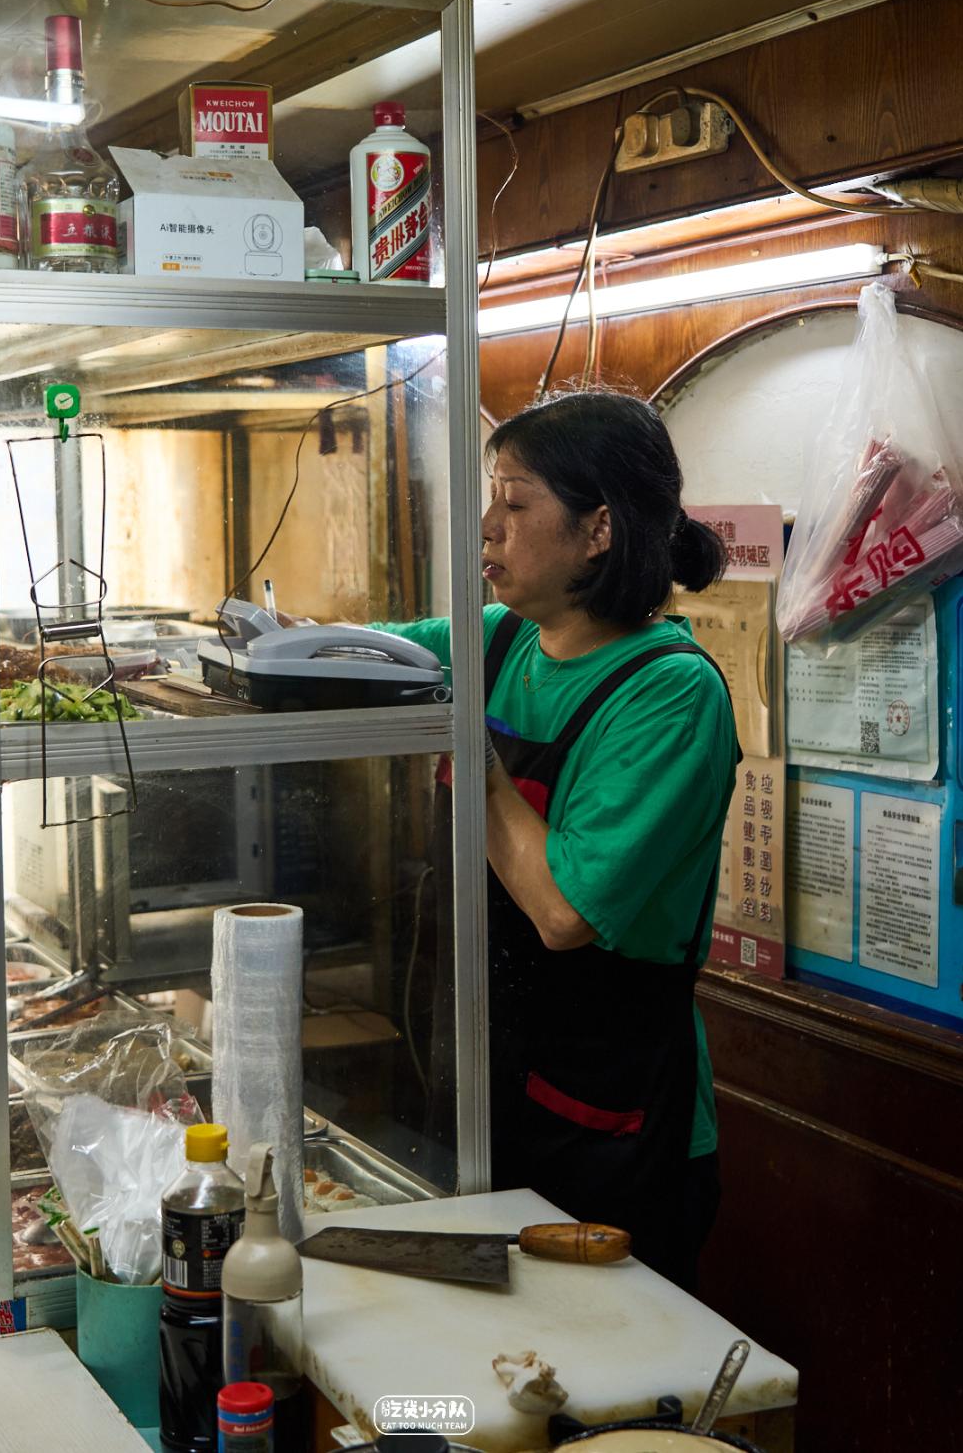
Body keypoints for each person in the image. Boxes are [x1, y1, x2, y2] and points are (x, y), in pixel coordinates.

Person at [380, 388, 738, 1291]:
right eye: (490, 499)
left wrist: (469, 747)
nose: (487, 528)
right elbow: (362, 658)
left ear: (598, 530)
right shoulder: (498, 639)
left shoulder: (669, 692)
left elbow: (565, 911)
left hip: (613, 1120)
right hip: (488, 1088)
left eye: (515, 501)